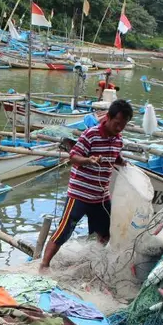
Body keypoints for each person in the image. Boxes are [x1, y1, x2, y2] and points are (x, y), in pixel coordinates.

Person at [40, 100, 133, 271]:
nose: (119, 128)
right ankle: (44, 266)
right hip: (79, 194)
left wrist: (122, 162)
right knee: (63, 232)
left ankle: (95, 259)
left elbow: (115, 157)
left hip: (101, 196)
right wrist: (88, 160)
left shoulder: (118, 140)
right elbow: (73, 157)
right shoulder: (91, 134)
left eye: (123, 125)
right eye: (117, 123)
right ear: (108, 118)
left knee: (106, 233)